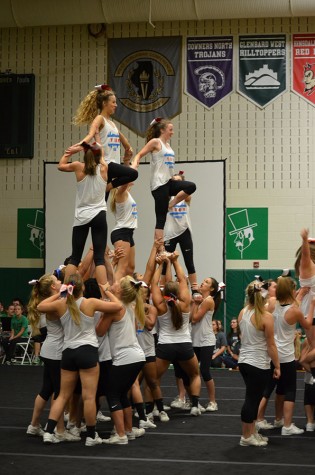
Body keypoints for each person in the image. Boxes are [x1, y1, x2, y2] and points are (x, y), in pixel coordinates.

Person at [38, 273, 122, 446]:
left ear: (68, 288)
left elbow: (40, 306)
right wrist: (107, 291)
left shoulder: (61, 303)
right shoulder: (89, 302)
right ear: (82, 287)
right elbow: (118, 306)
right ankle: (91, 436)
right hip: (87, 351)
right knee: (89, 397)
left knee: (62, 396)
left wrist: (61, 293)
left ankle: (48, 432)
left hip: (68, 353)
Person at [257, 276, 314, 436]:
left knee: (272, 389)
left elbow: (289, 304)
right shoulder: (295, 311)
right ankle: (287, 426)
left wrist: (301, 294)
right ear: (290, 291)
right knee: (289, 390)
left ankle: (272, 419)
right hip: (286, 356)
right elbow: (308, 324)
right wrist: (312, 306)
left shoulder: (273, 303)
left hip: (272, 353)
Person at [26, 274, 80, 441]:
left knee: (46, 389)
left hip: (49, 350)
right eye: (57, 281)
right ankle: (60, 430)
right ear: (53, 288)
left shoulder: (55, 300)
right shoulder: (56, 302)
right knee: (60, 392)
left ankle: (34, 425)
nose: (60, 281)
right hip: (56, 352)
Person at [95, 276, 146, 445]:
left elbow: (100, 331)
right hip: (136, 356)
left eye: (117, 283)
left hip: (125, 357)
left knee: (112, 394)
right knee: (123, 394)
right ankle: (129, 431)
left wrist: (101, 314)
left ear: (120, 291)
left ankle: (121, 435)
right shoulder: (130, 305)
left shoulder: (115, 309)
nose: (113, 283)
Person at [151, 251, 201, 417]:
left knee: (154, 379)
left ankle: (159, 409)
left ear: (164, 293)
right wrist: (175, 261)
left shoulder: (160, 305)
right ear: (178, 292)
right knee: (194, 375)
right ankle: (195, 405)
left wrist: (160, 266)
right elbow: (183, 280)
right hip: (184, 345)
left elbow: (153, 284)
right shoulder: (185, 303)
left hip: (165, 346)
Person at [132, 118, 196, 245]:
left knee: (191, 186)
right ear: (162, 130)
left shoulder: (168, 146)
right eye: (170, 130)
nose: (172, 132)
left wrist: (172, 176)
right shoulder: (155, 142)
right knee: (161, 220)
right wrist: (134, 165)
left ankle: (170, 204)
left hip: (169, 182)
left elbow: (168, 165)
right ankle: (159, 250)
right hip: (159, 185)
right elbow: (139, 154)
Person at [71, 84, 138, 196]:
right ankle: (107, 188)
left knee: (102, 204)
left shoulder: (112, 124)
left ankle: (105, 189)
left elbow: (123, 139)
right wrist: (80, 146)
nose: (116, 105)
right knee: (133, 174)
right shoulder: (99, 119)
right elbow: (91, 134)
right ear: (104, 103)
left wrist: (128, 148)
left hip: (112, 165)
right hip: (106, 163)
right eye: (113, 102)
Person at [58, 141, 108, 287]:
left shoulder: (78, 166)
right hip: (99, 215)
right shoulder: (104, 168)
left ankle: (66, 292)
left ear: (85, 156)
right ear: (99, 156)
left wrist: (70, 152)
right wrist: (97, 150)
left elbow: (60, 165)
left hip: (82, 216)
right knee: (99, 259)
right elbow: (101, 154)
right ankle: (105, 292)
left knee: (75, 257)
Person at [238, 280, 280, 447]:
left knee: (253, 398)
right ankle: (246, 437)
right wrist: (277, 366)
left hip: (244, 362)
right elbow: (271, 345)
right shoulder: (266, 317)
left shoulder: (242, 312)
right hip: (258, 363)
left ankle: (252, 432)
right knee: (252, 399)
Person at [162, 172, 198, 293]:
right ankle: (164, 288)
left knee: (189, 262)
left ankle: (194, 290)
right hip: (170, 233)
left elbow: (187, 193)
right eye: (174, 181)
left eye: (179, 181)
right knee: (165, 264)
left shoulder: (186, 198)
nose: (176, 184)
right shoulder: (167, 196)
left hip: (184, 231)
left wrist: (179, 182)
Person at [190, 278, 222, 411]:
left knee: (204, 371)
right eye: (203, 280)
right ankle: (194, 402)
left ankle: (213, 402)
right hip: (195, 339)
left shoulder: (208, 300)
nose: (203, 282)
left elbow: (195, 318)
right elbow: (192, 318)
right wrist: (195, 302)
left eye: (207, 282)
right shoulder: (201, 300)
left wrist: (196, 303)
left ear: (212, 289)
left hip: (206, 340)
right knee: (192, 371)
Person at [109, 182, 137, 282]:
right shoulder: (120, 194)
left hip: (129, 233)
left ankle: (126, 292)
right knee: (122, 268)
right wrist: (133, 167)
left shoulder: (126, 194)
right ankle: (113, 292)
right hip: (121, 233)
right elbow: (126, 179)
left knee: (130, 268)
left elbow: (127, 182)